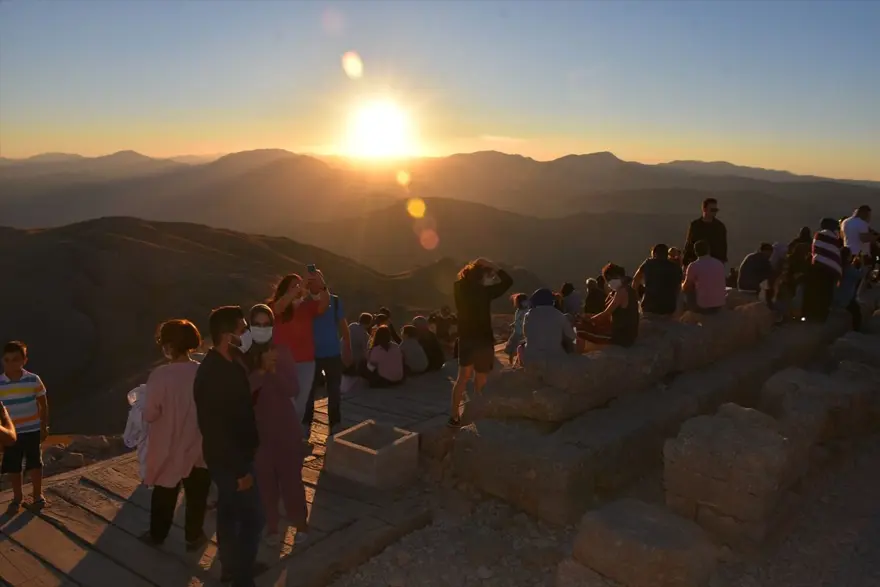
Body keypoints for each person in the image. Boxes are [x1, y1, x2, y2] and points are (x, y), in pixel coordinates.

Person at [194, 306, 264, 586]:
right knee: (253, 519)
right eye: (242, 329)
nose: (246, 333)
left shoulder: (232, 362)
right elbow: (215, 430)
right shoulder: (212, 375)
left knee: (228, 512)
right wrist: (240, 470)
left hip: (237, 455)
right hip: (231, 460)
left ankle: (231, 568)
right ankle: (242, 575)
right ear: (226, 336)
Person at [141, 320, 210, 551]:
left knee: (164, 493)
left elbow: (150, 414)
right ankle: (193, 536)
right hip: (198, 444)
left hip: (168, 446)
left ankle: (157, 535)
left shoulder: (160, 375)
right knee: (197, 495)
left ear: (169, 346)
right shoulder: (202, 372)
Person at [244, 314, 309, 547]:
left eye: (266, 324)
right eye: (257, 324)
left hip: (285, 428)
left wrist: (274, 371)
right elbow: (244, 395)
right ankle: (272, 526)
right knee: (265, 481)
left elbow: (293, 389)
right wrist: (261, 371)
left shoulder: (282, 352)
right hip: (259, 432)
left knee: (291, 480)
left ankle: (301, 525)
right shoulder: (245, 357)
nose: (261, 328)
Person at [448, 258, 513, 428]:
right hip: (483, 339)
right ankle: (477, 412)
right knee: (481, 379)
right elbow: (508, 281)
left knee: (462, 378)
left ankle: (454, 416)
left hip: (466, 338)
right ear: (481, 277)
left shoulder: (459, 288)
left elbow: (463, 278)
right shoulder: (485, 292)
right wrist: (494, 266)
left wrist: (477, 266)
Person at [271, 271, 329, 428]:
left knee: (301, 402)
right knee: (283, 401)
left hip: (306, 362)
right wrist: (299, 287)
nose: (300, 288)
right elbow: (278, 308)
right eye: (294, 286)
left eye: (301, 285)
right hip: (282, 362)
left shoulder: (306, 307)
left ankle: (292, 433)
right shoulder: (274, 306)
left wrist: (321, 284)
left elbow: (324, 305)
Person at [0, 341, 49, 510]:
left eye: (15, 359)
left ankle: (37, 495)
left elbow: (43, 403)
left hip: (32, 429)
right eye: (6, 360)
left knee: (35, 463)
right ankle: (17, 498)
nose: (10, 363)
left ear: (24, 360)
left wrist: (44, 426)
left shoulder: (33, 380)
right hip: (11, 434)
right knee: (14, 467)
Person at [303, 282, 351, 439]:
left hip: (333, 354)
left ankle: (335, 424)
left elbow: (344, 326)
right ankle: (305, 424)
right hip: (312, 354)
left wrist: (347, 348)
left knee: (334, 391)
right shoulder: (305, 303)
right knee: (309, 392)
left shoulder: (335, 301)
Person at [578, 264, 640, 347]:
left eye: (610, 279)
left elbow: (606, 313)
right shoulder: (629, 290)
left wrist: (589, 320)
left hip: (622, 337)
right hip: (629, 334)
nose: (609, 283)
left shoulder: (621, 292)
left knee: (580, 332)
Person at [519, 288, 576, 365]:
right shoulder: (559, 315)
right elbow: (572, 336)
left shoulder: (528, 315)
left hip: (531, 358)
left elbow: (526, 334)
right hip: (555, 358)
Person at [803, 219, 843, 323]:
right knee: (825, 293)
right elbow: (835, 252)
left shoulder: (818, 236)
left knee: (815, 292)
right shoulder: (833, 238)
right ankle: (820, 316)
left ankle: (811, 315)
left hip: (816, 267)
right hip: (827, 271)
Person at [632, 243, 682, 316]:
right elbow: (678, 288)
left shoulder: (648, 263)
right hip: (668, 308)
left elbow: (636, 279)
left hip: (649, 306)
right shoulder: (676, 268)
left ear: (654, 253)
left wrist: (636, 296)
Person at [682, 240, 727, 314]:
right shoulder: (719, 263)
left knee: (685, 292)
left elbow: (686, 286)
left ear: (695, 252)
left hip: (703, 306)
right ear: (708, 250)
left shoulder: (694, 265)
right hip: (720, 303)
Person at [683, 198, 727, 267]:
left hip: (714, 264)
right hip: (696, 263)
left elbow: (723, 247)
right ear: (704, 209)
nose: (714, 212)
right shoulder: (695, 225)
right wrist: (685, 262)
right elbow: (689, 244)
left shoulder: (719, 227)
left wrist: (721, 263)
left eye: (716, 210)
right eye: (712, 210)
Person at [834, 248, 863, 331]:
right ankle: (856, 330)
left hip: (836, 296)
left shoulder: (838, 266)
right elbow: (860, 274)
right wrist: (863, 263)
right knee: (857, 312)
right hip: (846, 298)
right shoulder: (848, 268)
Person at [504, 293, 529, 365]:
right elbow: (517, 320)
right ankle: (511, 363)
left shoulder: (527, 311)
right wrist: (513, 324)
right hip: (516, 332)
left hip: (522, 334)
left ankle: (518, 363)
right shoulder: (518, 311)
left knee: (519, 349)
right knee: (510, 348)